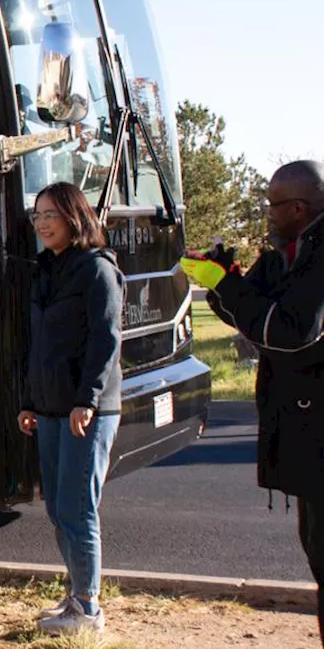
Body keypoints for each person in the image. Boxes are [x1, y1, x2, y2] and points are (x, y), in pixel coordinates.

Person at [183, 160, 324, 639]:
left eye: (273, 205)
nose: (266, 213)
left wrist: (228, 287)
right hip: (302, 425)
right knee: (316, 550)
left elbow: (290, 333)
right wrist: (224, 278)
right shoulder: (285, 250)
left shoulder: (321, 257)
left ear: (299, 208)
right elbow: (248, 312)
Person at [17, 182, 124, 635]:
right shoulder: (46, 269)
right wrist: (29, 401)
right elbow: (39, 345)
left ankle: (88, 611)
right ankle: (77, 595)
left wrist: (88, 399)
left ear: (74, 217)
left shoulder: (96, 270)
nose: (41, 224)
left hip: (87, 411)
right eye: (37, 215)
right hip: (50, 408)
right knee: (60, 509)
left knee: (79, 510)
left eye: (50, 215)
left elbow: (106, 340)